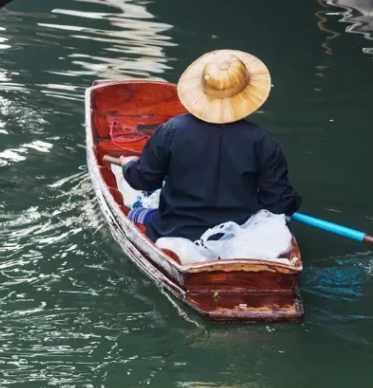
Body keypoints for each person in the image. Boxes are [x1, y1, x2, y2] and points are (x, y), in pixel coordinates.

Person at [118, 49, 301, 244]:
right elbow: (280, 202)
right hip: (237, 235)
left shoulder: (171, 131)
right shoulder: (262, 140)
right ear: (245, 95)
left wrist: (128, 166)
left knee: (135, 213)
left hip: (175, 229)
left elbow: (145, 181)